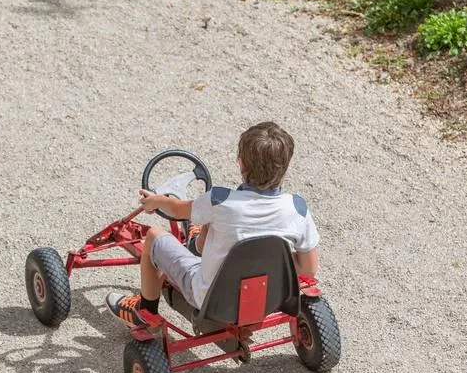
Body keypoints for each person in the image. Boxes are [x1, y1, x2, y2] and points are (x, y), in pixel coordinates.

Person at [107, 121, 320, 327]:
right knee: (206, 237)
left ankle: (144, 311)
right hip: (269, 300)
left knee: (153, 236)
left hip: (212, 301)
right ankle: (199, 241)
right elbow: (308, 269)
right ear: (285, 166)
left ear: (241, 163)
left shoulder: (220, 200)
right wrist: (269, 260)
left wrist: (156, 201)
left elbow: (177, 208)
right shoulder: (297, 209)